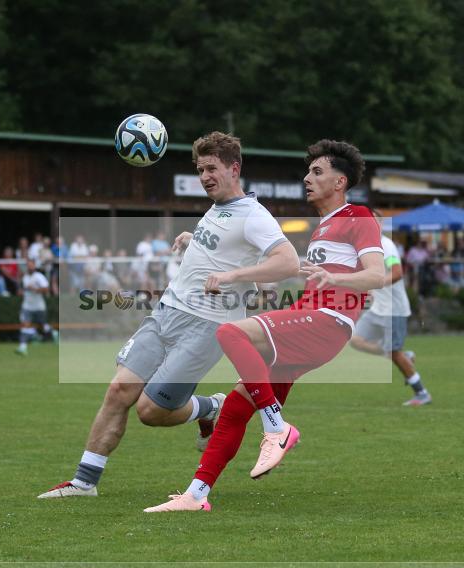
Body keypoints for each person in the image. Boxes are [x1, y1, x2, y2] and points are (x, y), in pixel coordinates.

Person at [38, 131, 299, 499]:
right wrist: (194, 240)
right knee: (118, 390)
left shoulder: (254, 216)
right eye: (200, 170)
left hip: (207, 327)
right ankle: (83, 483)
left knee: (150, 412)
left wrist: (233, 277)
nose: (205, 176)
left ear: (234, 168)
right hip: (166, 312)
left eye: (212, 168)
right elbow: (223, 249)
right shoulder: (218, 208)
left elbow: (287, 262)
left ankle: (210, 406)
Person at [144, 139, 387, 512]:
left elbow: (376, 275)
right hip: (312, 322)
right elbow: (292, 265)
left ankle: (277, 427)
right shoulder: (324, 226)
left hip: (326, 322)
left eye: (317, 172)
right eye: (308, 171)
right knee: (235, 407)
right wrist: (202, 245)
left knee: (230, 332)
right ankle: (196, 495)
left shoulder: (358, 216)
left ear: (340, 182)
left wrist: (334, 279)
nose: (307, 178)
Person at [349, 210, 431, 406]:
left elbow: (397, 272)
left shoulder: (386, 246)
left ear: (380, 225)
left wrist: (375, 284)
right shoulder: (366, 248)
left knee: (394, 352)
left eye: (374, 221)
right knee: (355, 340)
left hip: (394, 309)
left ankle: (422, 393)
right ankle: (404, 357)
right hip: (378, 308)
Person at [15, 259, 51, 356]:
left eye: (31, 265)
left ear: (34, 266)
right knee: (25, 325)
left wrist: (34, 289)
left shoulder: (39, 276)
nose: (30, 267)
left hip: (39, 306)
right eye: (28, 265)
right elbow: (23, 290)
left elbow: (46, 289)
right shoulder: (25, 277)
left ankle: (52, 333)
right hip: (27, 306)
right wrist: (21, 292)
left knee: (43, 326)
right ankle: (23, 347)